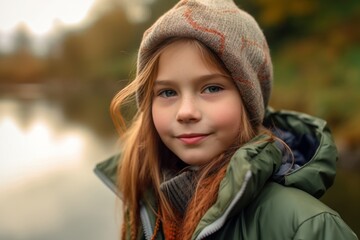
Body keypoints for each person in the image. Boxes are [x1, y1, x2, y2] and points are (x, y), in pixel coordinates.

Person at [94, 0, 358, 239]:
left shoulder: (305, 226)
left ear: (248, 102)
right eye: (167, 92)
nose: (186, 112)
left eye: (211, 88)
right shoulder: (147, 204)